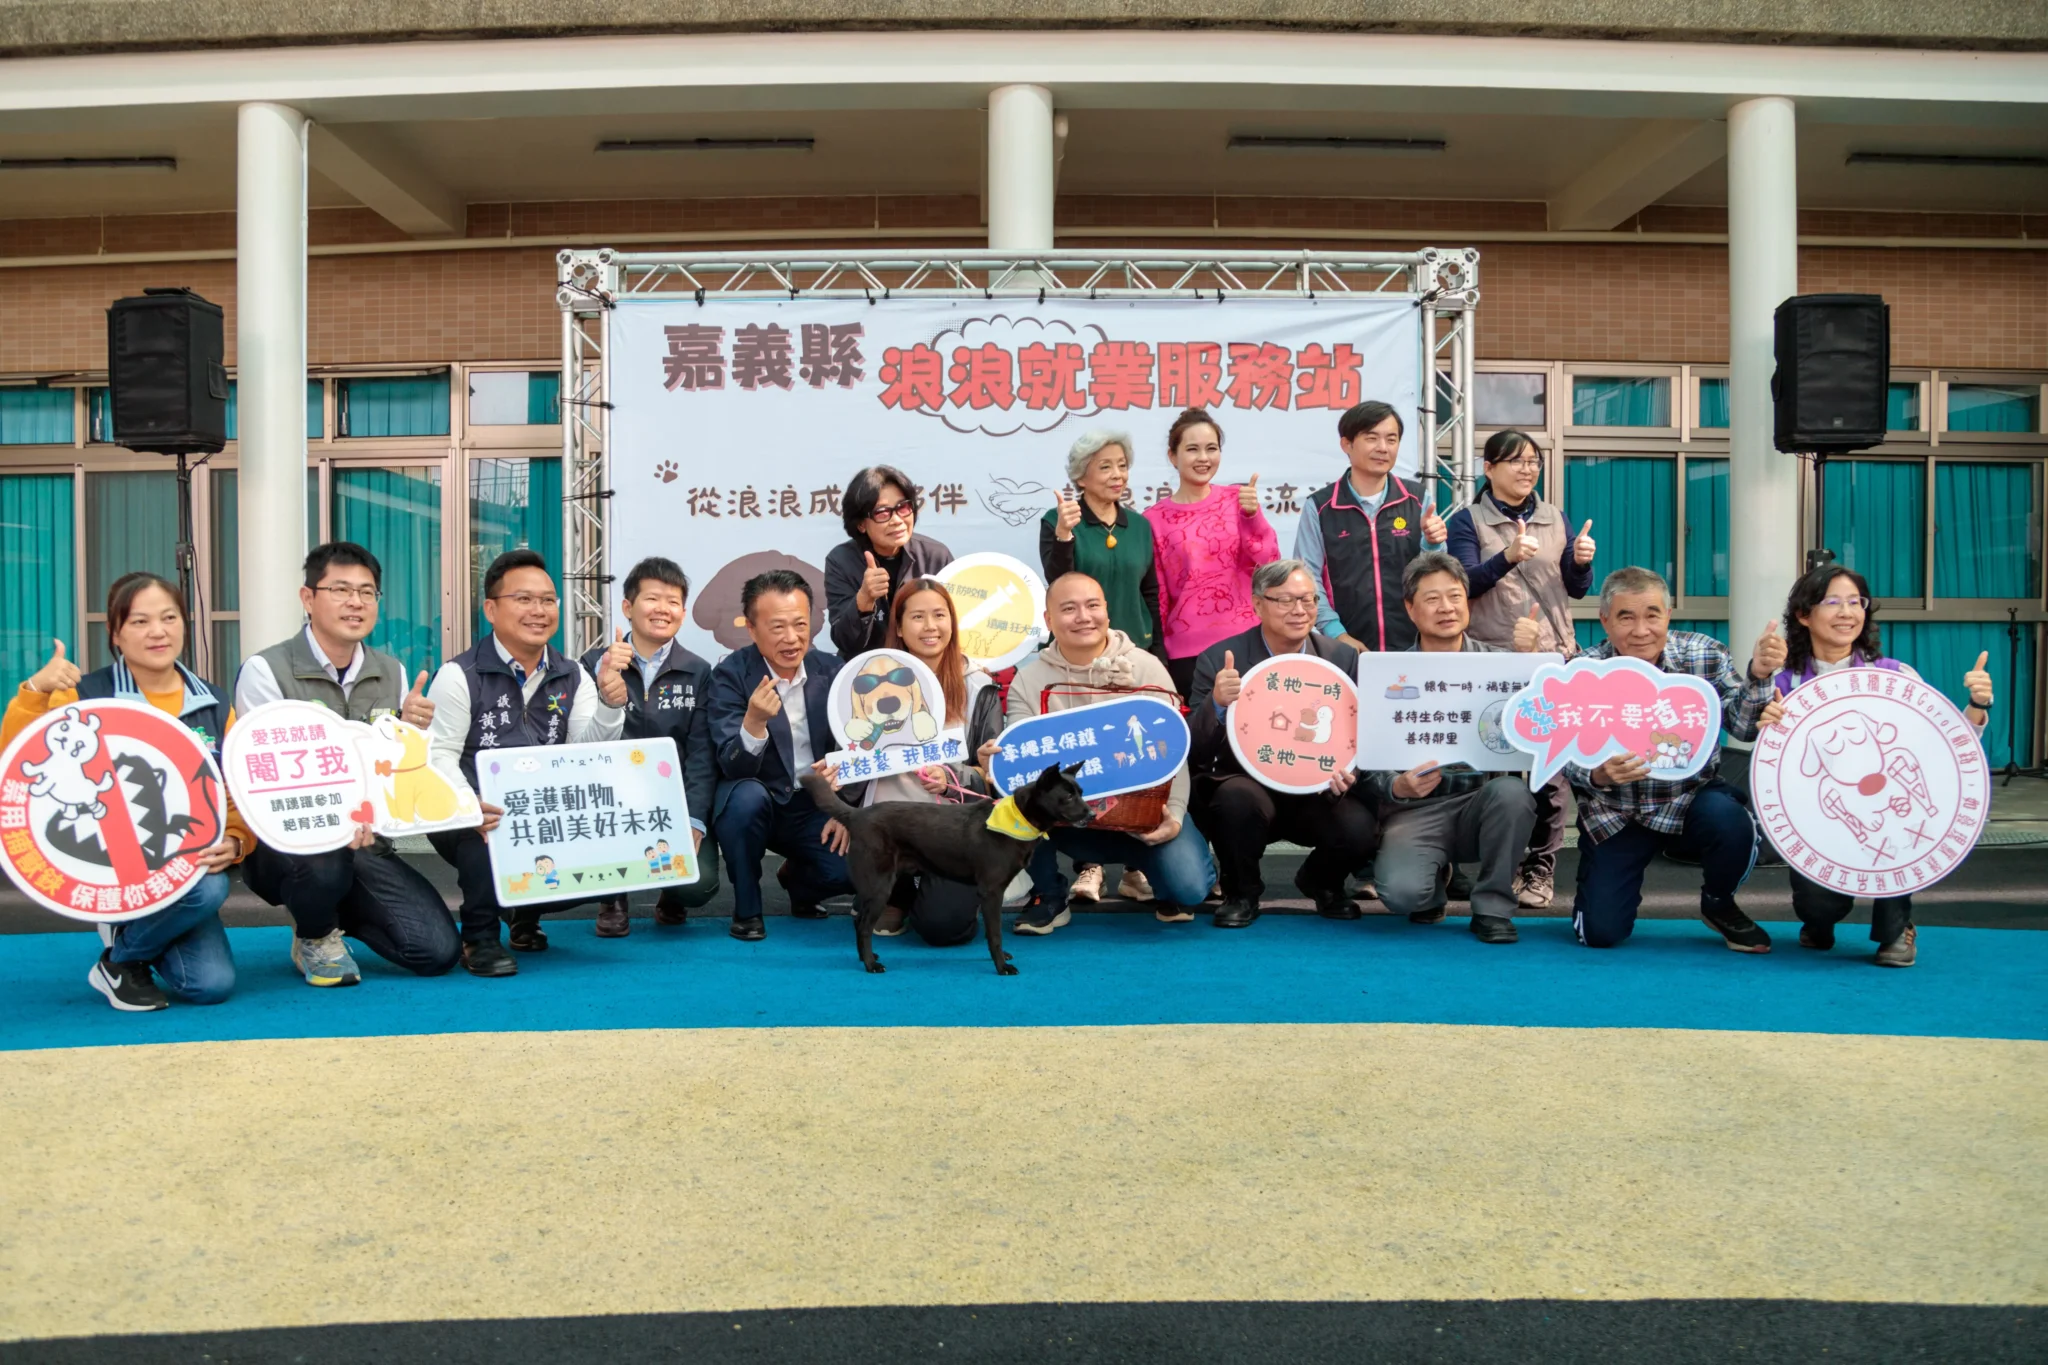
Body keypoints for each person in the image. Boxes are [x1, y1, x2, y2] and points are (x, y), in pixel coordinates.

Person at [4, 574, 246, 1010]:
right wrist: (36, 692)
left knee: (210, 985)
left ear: (184, 624)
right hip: (113, 862)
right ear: (115, 634)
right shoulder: (84, 695)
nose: (158, 632)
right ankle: (125, 925)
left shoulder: (214, 702)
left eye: (169, 618)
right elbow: (17, 766)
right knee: (208, 893)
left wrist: (236, 839)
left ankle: (120, 956)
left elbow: (231, 790)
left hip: (184, 868)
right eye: (139, 621)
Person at [234, 541, 461, 986]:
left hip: (364, 843)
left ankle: (329, 910)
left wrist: (410, 732)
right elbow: (263, 778)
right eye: (340, 589)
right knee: (323, 867)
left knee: (436, 952)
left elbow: (395, 770)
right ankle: (315, 933)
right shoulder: (266, 670)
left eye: (367, 592)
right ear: (308, 598)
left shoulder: (392, 672)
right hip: (291, 843)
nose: (355, 602)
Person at [1755, 563, 1995, 968]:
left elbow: (1943, 749)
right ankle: (1819, 920)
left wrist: (1976, 704)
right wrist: (1765, 723)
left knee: (1901, 837)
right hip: (1820, 816)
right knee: (1817, 908)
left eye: (1856, 602)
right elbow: (1769, 764)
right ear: (1804, 615)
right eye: (1833, 602)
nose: (1847, 612)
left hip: (1893, 805)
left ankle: (1896, 930)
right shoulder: (1782, 686)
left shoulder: (1895, 678)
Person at [425, 549, 627, 977]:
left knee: (610, 855)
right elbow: (438, 755)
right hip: (467, 813)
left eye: (548, 600)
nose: (539, 611)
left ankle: (524, 915)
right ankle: (479, 937)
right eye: (524, 599)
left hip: (541, 810)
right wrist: (468, 803)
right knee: (486, 836)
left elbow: (585, 755)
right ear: (491, 609)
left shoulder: (573, 674)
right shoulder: (459, 675)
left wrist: (611, 705)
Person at [1568, 566, 1779, 953]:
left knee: (1730, 820)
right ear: (1605, 621)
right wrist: (1595, 774)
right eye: (1626, 617)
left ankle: (1718, 902)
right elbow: (1559, 751)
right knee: (1600, 934)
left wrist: (1760, 675)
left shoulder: (1703, 655)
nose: (1641, 630)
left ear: (1668, 615)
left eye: (1652, 615)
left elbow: (1743, 727)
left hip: (1689, 797)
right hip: (1617, 811)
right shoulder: (1583, 671)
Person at [1004, 572, 1216, 934]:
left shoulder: (1146, 667)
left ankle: (1156, 880)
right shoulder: (1029, 679)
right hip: (1066, 821)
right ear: (1049, 620)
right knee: (1013, 801)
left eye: (1092, 606)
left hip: (1142, 814)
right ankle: (1049, 895)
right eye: (1069, 609)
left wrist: (1176, 816)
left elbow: (1173, 752)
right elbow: (1022, 764)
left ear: (1107, 610)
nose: (1083, 617)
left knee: (1188, 887)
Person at [1444, 428, 1597, 911]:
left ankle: (1541, 866)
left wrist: (1580, 562)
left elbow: (1575, 589)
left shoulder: (1554, 517)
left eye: (1533, 461)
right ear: (1489, 469)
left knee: (1550, 772)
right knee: (1497, 769)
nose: (1527, 469)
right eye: (1516, 461)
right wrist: (1507, 557)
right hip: (1494, 660)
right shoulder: (1468, 521)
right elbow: (1465, 585)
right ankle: (1502, 864)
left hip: (1552, 659)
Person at [1186, 559, 1378, 928]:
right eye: (1286, 600)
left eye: (1308, 600)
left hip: (1318, 789)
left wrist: (1350, 771)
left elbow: (1360, 731)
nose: (1300, 610)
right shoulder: (1220, 659)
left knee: (1360, 827)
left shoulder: (1341, 658)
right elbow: (1196, 749)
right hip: (1249, 787)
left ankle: (1322, 882)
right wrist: (1217, 703)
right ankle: (1241, 892)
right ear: (1258, 605)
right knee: (1235, 799)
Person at [1358, 553, 1537, 944]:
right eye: (1432, 598)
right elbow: (1366, 757)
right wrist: (1396, 786)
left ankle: (1492, 908)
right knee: (1404, 895)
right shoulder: (1385, 673)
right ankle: (1434, 883)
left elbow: (1546, 725)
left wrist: (1533, 663)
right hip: (1415, 810)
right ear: (1410, 608)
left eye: (1455, 596)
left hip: (1481, 803)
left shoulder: (1504, 665)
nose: (1446, 608)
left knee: (1512, 794)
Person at [1041, 429, 1164, 904]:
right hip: (1078, 660)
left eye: (1122, 465)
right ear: (1081, 476)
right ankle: (1089, 865)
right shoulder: (1059, 519)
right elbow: (1058, 583)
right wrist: (1064, 536)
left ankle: (1134, 867)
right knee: (1086, 756)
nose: (1117, 475)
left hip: (1134, 654)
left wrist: (1156, 650)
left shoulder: (1141, 526)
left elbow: (1149, 591)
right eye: (1105, 466)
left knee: (1133, 758)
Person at [708, 568, 860, 941]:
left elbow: (858, 744)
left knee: (849, 871)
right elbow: (731, 764)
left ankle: (798, 882)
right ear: (751, 628)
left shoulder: (834, 671)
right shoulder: (730, 675)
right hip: (756, 799)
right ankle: (747, 908)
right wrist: (754, 722)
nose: (791, 638)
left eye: (800, 624)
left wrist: (845, 804)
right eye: (777, 627)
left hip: (814, 803)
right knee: (744, 798)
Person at [576, 556, 720, 937]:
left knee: (698, 884)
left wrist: (694, 819)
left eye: (673, 602)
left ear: (683, 613)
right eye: (652, 599)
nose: (663, 609)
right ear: (628, 607)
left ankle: (672, 894)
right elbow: (578, 748)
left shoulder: (699, 671)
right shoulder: (593, 664)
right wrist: (605, 690)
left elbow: (702, 755)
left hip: (670, 800)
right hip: (609, 799)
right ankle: (613, 897)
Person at [864, 577, 1008, 945]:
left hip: (954, 832)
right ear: (899, 627)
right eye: (917, 617)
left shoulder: (978, 685)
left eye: (939, 615)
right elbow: (853, 756)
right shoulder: (867, 681)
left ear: (952, 623)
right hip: (889, 825)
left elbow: (991, 776)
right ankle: (899, 893)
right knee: (828, 861)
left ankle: (934, 893)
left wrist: (953, 778)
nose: (930, 626)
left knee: (943, 927)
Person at [1144, 407, 1279, 698]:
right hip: (1186, 652)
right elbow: (1159, 595)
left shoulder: (1239, 500)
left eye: (1211, 448)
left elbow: (1269, 564)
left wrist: (1252, 516)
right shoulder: (1153, 520)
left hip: (1249, 642)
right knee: (1202, 725)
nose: (1203, 458)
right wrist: (1159, 655)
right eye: (1192, 449)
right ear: (1173, 456)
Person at [1294, 400, 1449, 653]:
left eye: (1391, 439)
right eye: (1371, 438)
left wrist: (1433, 544)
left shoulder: (1418, 499)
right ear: (1347, 444)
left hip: (1416, 645)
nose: (1383, 448)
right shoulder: (1321, 507)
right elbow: (1307, 578)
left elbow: (1436, 575)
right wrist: (1337, 634)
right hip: (1346, 647)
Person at [822, 465, 953, 658]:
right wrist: (864, 599)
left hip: (926, 668)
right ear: (861, 524)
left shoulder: (935, 556)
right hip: (867, 669)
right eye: (882, 513)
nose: (897, 520)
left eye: (903, 508)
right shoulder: (841, 561)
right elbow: (845, 641)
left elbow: (956, 623)